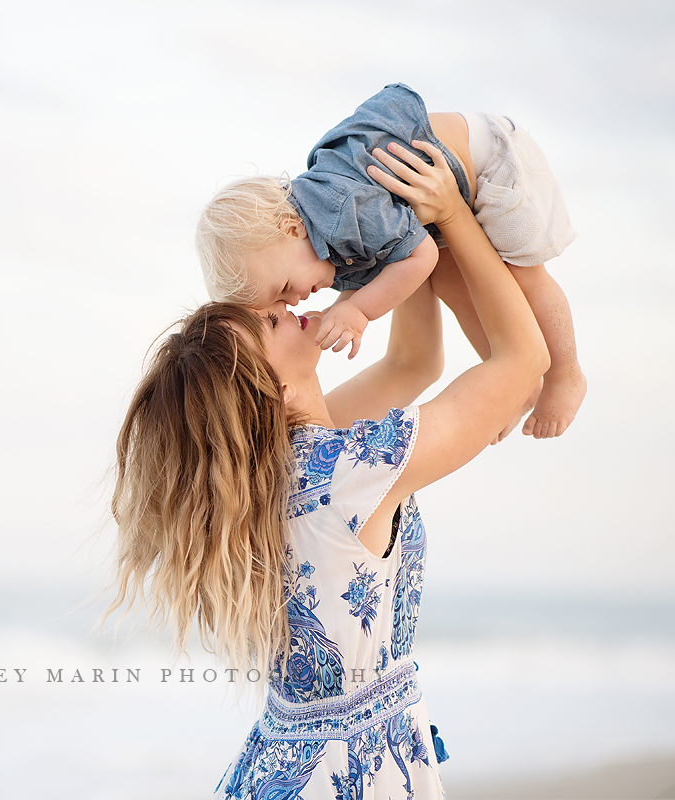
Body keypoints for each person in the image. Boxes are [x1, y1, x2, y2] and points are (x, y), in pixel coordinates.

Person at [108, 143, 549, 798]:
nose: (283, 305)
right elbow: (522, 365)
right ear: (271, 390)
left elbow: (413, 364)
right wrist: (452, 216)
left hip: (288, 760)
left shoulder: (284, 463)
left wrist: (400, 244)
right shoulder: (345, 468)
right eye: (267, 321)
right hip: (346, 774)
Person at [196, 82, 586, 440]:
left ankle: (566, 376)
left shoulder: (346, 211)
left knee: (527, 277)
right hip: (445, 201)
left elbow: (420, 257)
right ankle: (515, 383)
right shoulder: (316, 246)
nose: (296, 301)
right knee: (452, 284)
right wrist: (346, 309)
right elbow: (392, 283)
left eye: (281, 295)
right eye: (278, 312)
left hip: (491, 161)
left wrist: (359, 312)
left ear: (292, 227)